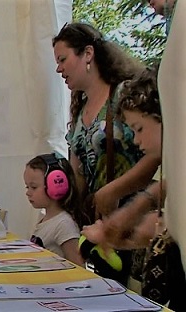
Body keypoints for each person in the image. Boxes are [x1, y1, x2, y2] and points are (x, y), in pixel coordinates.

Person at [52, 22, 160, 284]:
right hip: (104, 230)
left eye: (63, 59)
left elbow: (156, 152)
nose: (58, 68)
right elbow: (77, 173)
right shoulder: (79, 111)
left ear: (88, 54)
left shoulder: (123, 94)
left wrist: (114, 190)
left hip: (137, 221)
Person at [81, 65, 185, 309]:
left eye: (139, 128)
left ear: (167, 117)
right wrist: (116, 235)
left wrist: (136, 207)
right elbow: (153, 231)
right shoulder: (172, 164)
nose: (137, 141)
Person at [24, 153, 84, 266]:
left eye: (34, 187)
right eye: (27, 187)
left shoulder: (64, 224)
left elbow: (79, 267)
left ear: (56, 186)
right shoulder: (47, 220)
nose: (28, 192)